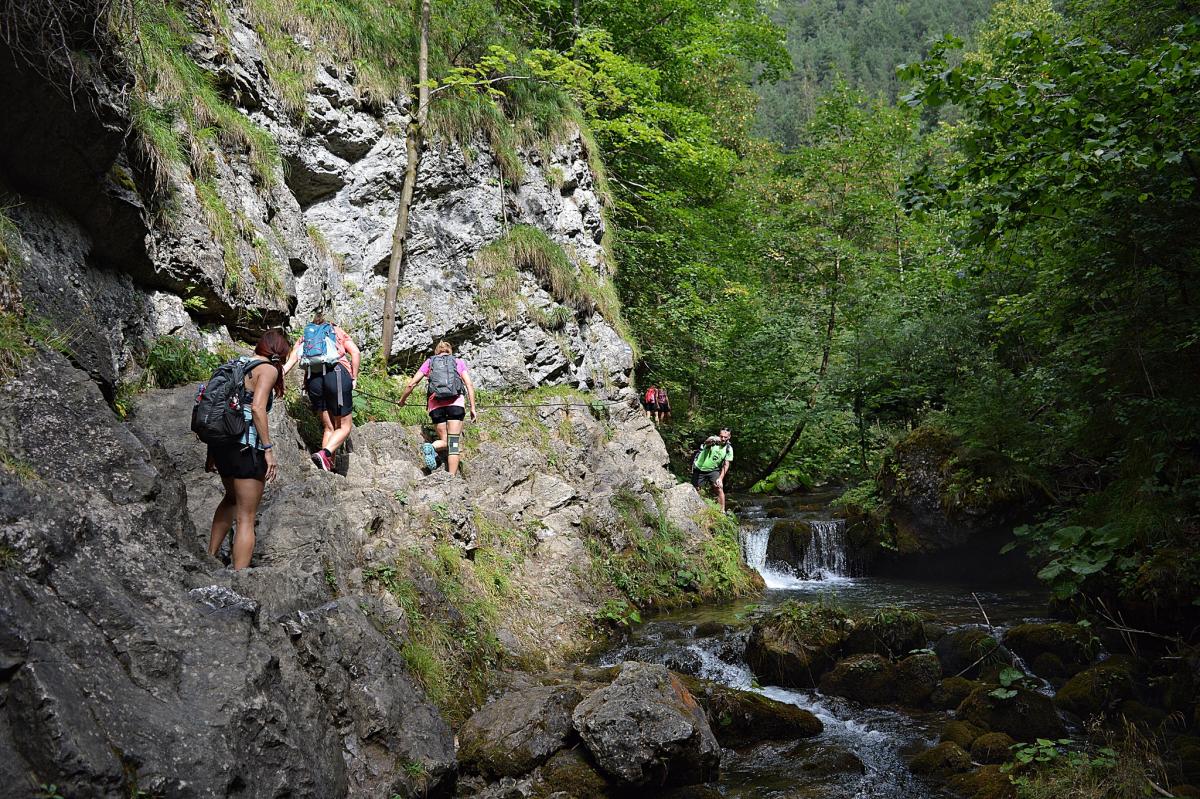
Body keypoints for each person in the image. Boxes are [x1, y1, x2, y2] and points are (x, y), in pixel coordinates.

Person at [206, 329, 291, 570]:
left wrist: (212, 452)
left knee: (230, 498)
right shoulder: (269, 370)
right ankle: (240, 580)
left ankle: (210, 557)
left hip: (222, 444)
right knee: (246, 516)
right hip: (247, 447)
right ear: (281, 353)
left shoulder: (238, 364)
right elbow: (257, 408)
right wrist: (268, 449)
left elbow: (219, 405)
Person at [282, 312, 360, 471]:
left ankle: (327, 469)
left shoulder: (306, 335)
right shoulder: (336, 331)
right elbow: (356, 353)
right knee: (344, 426)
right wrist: (354, 377)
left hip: (313, 380)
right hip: (336, 374)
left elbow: (292, 359)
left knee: (329, 427)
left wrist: (277, 376)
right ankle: (325, 454)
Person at [396, 340, 478, 476]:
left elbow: (412, 384)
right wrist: (473, 408)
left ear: (436, 352)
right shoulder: (458, 362)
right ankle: (450, 478)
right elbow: (469, 384)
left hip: (436, 406)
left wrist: (402, 400)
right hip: (455, 405)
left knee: (446, 440)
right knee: (453, 445)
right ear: (450, 351)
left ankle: (433, 446)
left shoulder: (430, 362)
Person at [691, 427, 734, 512]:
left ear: (729, 437)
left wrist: (720, 479)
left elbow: (726, 465)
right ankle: (698, 509)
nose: (723, 438)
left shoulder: (729, 449)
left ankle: (722, 512)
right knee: (696, 490)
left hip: (713, 470)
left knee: (719, 488)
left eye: (725, 437)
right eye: (721, 436)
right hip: (699, 468)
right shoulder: (713, 442)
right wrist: (713, 439)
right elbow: (707, 442)